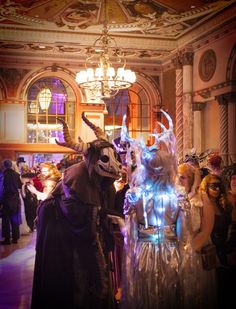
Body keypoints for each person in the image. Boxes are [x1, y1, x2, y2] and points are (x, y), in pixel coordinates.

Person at [31, 113, 122, 309]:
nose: (115, 165)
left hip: (87, 239)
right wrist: (100, 216)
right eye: (106, 159)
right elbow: (74, 212)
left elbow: (104, 206)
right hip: (66, 243)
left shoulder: (103, 180)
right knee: (76, 284)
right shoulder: (78, 176)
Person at [120, 110, 180, 309]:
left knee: (146, 296)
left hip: (144, 251)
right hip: (171, 252)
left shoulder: (134, 194)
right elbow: (184, 234)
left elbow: (129, 235)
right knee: (169, 295)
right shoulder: (178, 196)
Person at [177, 163, 217, 308]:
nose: (178, 181)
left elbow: (207, 229)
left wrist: (191, 249)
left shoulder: (202, 198)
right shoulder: (175, 198)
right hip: (178, 252)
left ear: (192, 179)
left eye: (182, 178)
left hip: (197, 252)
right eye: (177, 177)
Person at [200, 174, 231, 267]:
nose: (217, 189)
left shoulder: (222, 204)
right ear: (206, 187)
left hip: (224, 248)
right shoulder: (202, 206)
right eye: (213, 186)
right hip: (211, 249)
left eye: (219, 186)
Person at [1, 159, 22, 244]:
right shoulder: (17, 175)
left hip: (6, 199)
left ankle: (7, 239)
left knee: (6, 220)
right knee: (14, 219)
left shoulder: (3, 175)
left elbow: (1, 189)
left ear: (4, 166)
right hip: (15, 199)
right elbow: (19, 187)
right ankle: (15, 238)